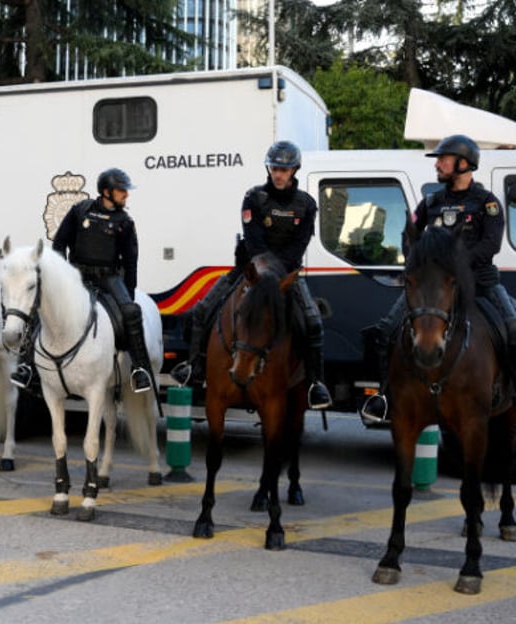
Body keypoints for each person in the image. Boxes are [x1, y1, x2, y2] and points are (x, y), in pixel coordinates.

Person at [361, 134, 516, 424]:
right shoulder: (431, 202)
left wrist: (453, 263)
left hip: (480, 283)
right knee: (384, 332)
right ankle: (384, 395)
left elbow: (491, 245)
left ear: (464, 163)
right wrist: (416, 260)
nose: (438, 165)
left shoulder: (487, 203)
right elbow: (410, 236)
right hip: (433, 289)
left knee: (512, 329)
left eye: (443, 160)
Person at [170, 141, 333, 410]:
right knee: (202, 311)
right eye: (274, 168)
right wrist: (264, 272)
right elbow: (254, 241)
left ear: (294, 170)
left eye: (284, 169)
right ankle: (195, 368)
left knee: (314, 323)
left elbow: (298, 246)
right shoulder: (254, 198)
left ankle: (316, 383)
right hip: (250, 270)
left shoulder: (307, 204)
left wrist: (277, 276)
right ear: (268, 169)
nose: (278, 173)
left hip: (285, 273)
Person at [10, 168, 154, 393]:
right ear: (106, 191)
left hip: (109, 277)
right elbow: (59, 244)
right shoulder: (80, 211)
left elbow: (131, 262)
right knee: (44, 307)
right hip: (77, 274)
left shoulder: (125, 221)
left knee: (131, 313)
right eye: (121, 190)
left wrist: (129, 295)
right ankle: (26, 366)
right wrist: (63, 274)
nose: (126, 194)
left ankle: (140, 369)